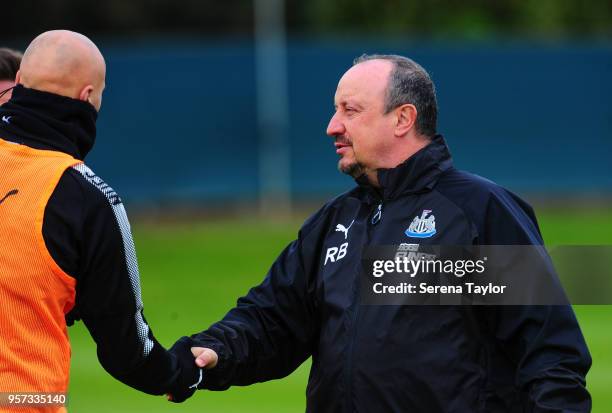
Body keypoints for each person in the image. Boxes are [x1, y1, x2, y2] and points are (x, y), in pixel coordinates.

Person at [178, 54, 592, 412]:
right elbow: (273, 321)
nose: (332, 127)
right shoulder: (334, 222)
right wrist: (213, 351)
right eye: (335, 111)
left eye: (350, 111)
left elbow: (550, 356)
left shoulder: (479, 212)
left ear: (402, 119)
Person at [0, 30, 200, 411]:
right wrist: (180, 374)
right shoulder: (88, 199)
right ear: (88, 97)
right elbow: (128, 350)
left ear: (20, 82)